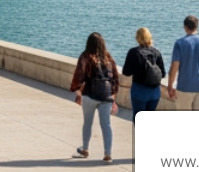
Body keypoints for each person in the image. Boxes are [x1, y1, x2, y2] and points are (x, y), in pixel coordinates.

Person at [70, 31, 120, 162]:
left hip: (90, 95)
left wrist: (77, 91)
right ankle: (107, 154)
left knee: (87, 123)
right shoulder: (108, 58)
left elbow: (79, 75)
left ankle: (85, 149)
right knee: (106, 125)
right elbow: (115, 77)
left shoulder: (85, 56)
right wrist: (113, 96)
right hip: (106, 95)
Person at [121, 27, 166, 121]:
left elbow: (126, 72)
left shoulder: (133, 52)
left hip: (139, 90)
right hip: (155, 92)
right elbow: (163, 74)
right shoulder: (157, 52)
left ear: (138, 38)